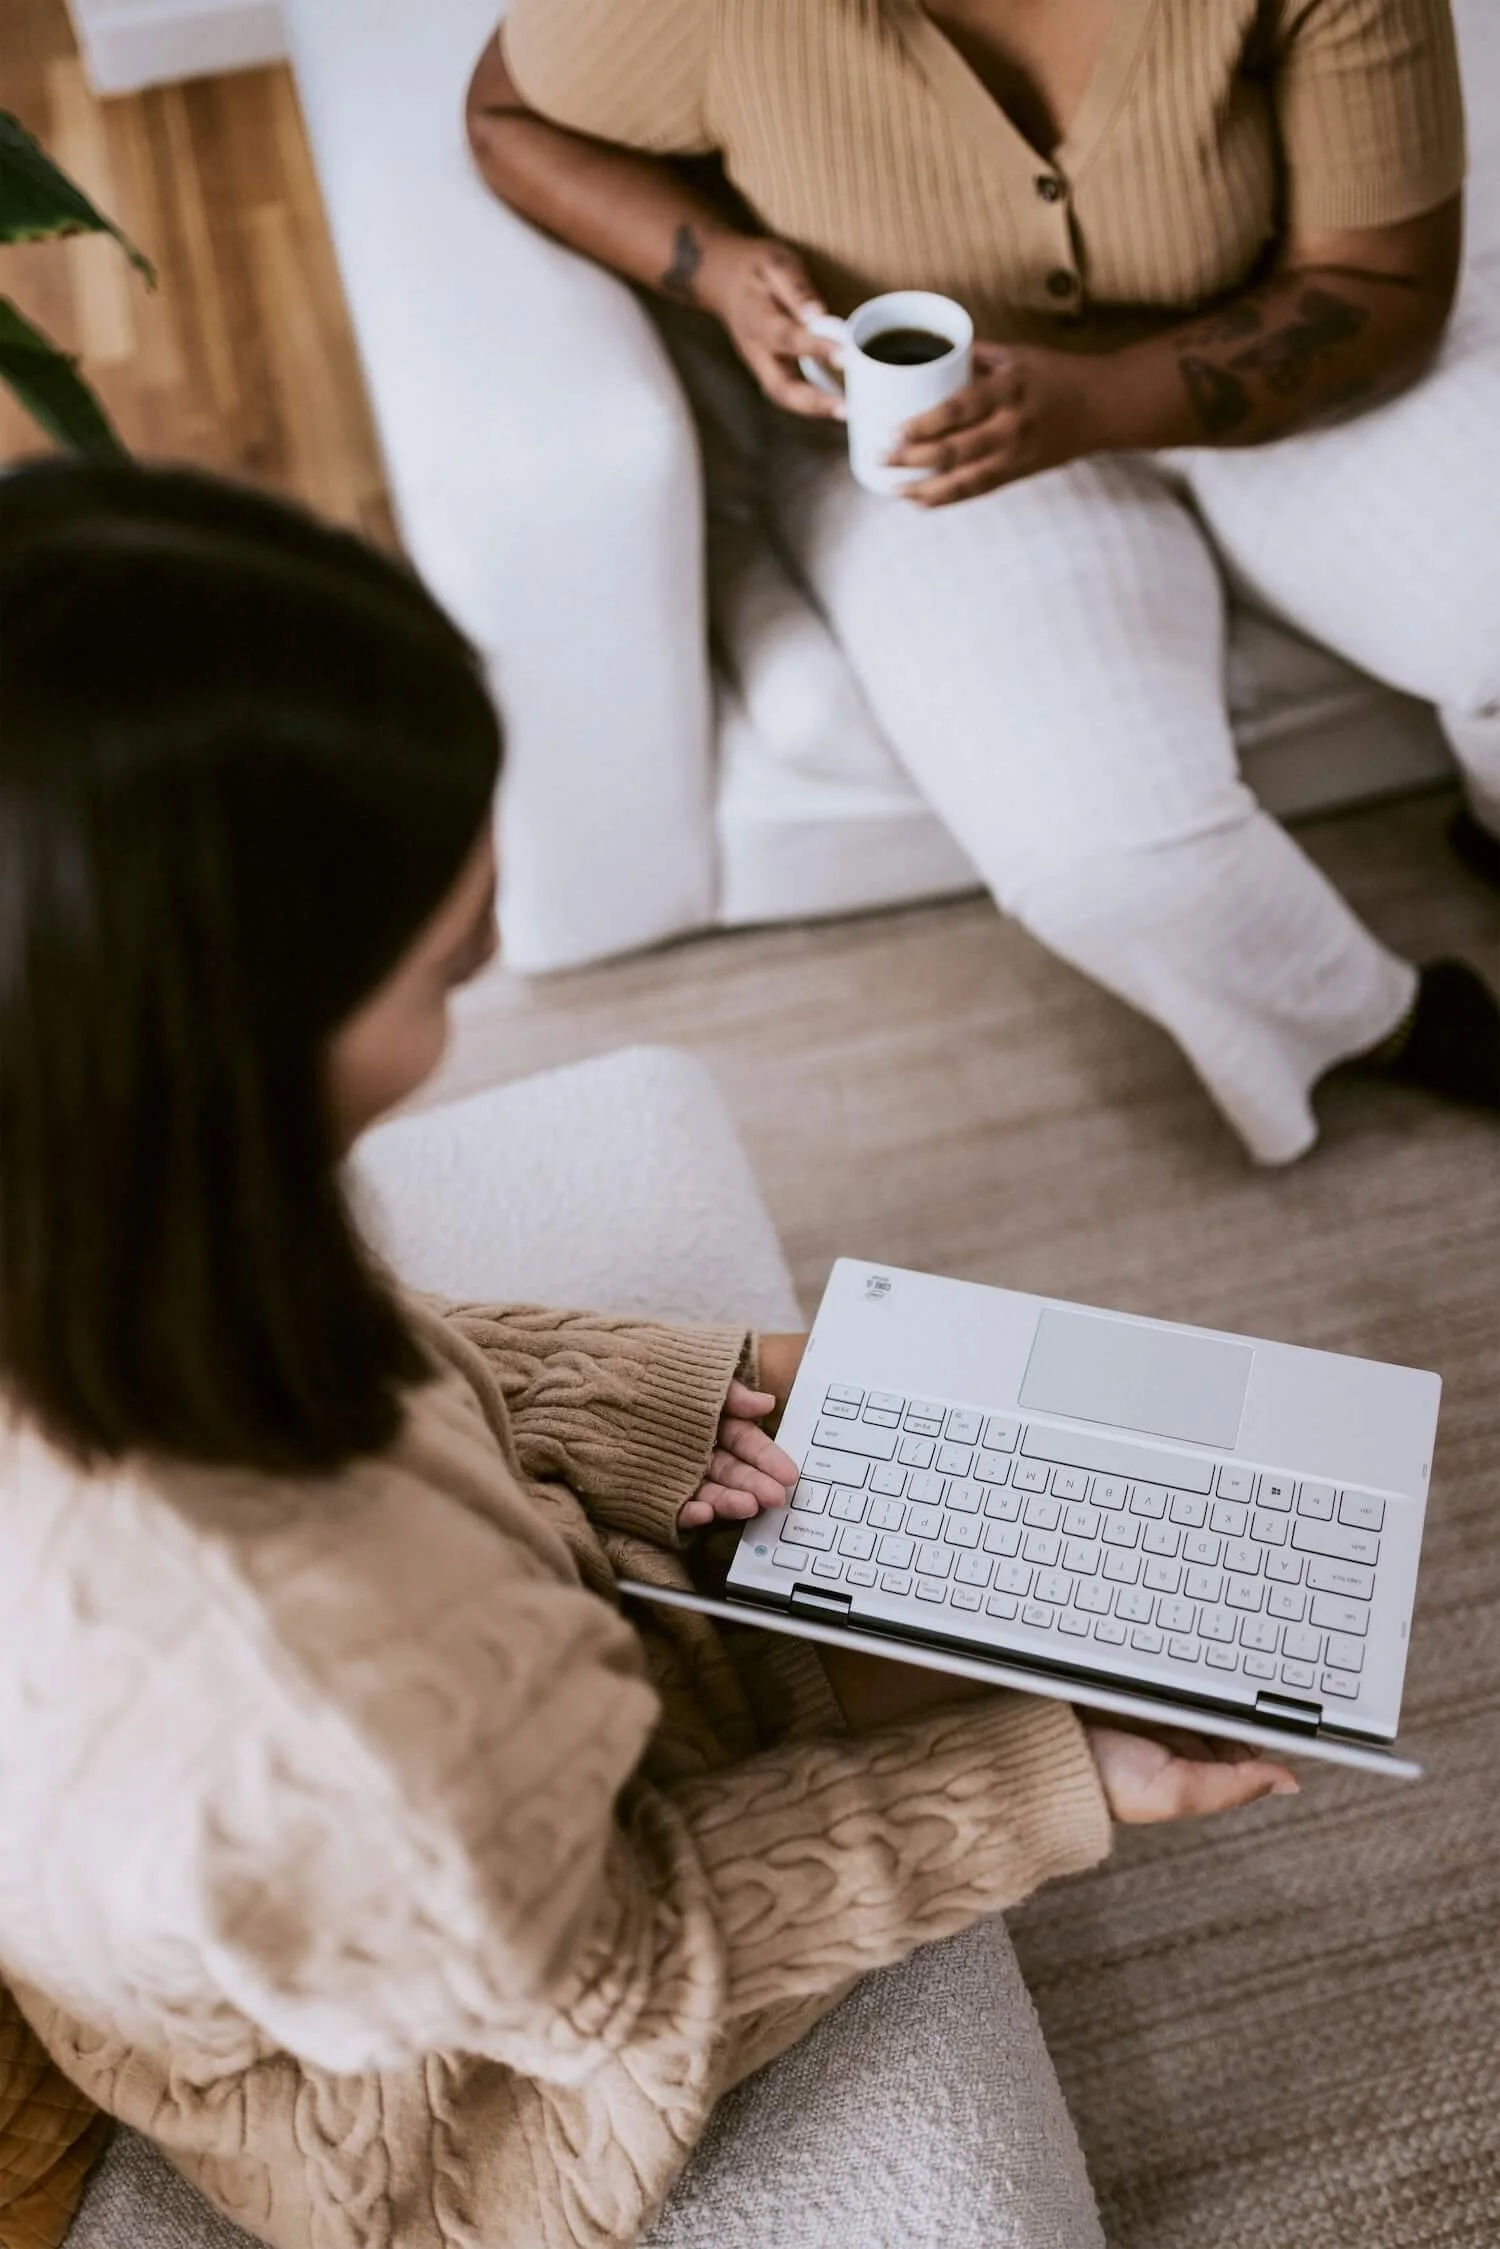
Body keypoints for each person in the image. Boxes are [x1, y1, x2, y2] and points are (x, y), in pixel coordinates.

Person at [0, 461, 1295, 2249]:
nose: (494, 949)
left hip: (418, 1760)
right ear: (224, 1043)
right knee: (1150, 1604)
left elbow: (379, 1342)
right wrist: (1046, 1783)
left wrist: (638, 1405)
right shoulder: (309, 1683)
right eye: (443, 966)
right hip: (460, 2087)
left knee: (965, 1440)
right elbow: (626, 1970)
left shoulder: (100, 1183)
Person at [468, 0, 1500, 1166]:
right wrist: (712, 265)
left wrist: (1096, 402)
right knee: (1111, 863)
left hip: (1276, 340)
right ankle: (1382, 1020)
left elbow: (1382, 281)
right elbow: (507, 114)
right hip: (922, 438)